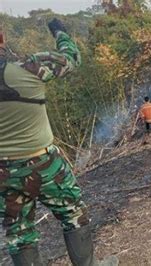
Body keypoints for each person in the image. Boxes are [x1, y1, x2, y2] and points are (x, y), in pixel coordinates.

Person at [0, 20, 117, 265]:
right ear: (1, 37)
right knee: (73, 213)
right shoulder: (28, 67)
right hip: (43, 163)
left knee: (18, 232)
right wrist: (59, 31)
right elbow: (72, 56)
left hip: (2, 173)